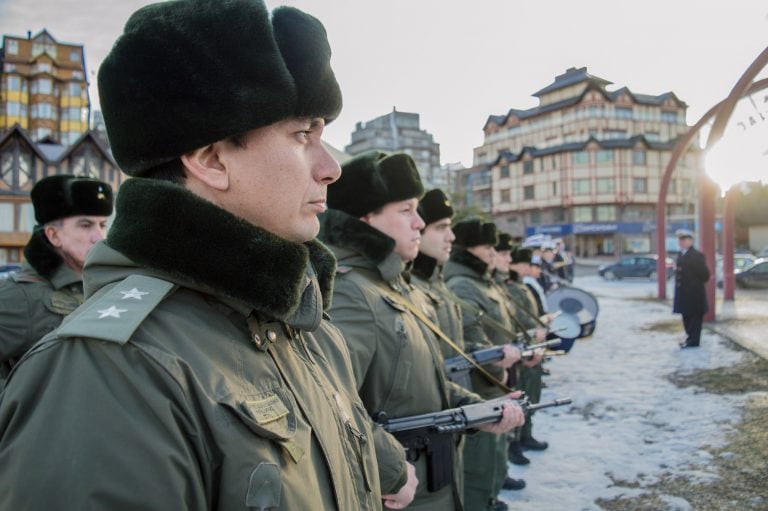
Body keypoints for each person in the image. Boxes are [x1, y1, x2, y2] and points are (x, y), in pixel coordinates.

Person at [0, 2, 401, 509]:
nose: (329, 168)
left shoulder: (303, 327)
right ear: (211, 160)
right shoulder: (113, 370)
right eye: (303, 135)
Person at [319, 152, 524, 511]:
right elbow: (325, 405)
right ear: (366, 219)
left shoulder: (394, 286)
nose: (418, 223)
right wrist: (389, 469)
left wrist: (478, 411)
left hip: (432, 487)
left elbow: (427, 382)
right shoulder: (351, 294)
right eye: (405, 210)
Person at [0, 174, 112, 384]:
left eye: (103, 225)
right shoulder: (19, 296)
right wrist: (23, 402)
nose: (99, 237)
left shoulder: (102, 287)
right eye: (85, 225)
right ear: (54, 235)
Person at [444, 219, 524, 510]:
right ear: (469, 249)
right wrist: (498, 368)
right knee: (478, 464)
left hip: (495, 380)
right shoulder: (463, 285)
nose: (494, 253)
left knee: (493, 456)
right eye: (487, 247)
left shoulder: (479, 281)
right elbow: (469, 341)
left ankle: (490, 497)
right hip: (479, 386)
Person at [673, 229, 710, 348]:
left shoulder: (696, 255)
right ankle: (689, 338)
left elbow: (705, 275)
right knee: (686, 317)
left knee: (694, 319)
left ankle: (694, 341)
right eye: (680, 240)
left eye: (684, 239)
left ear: (691, 241)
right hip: (684, 294)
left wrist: (693, 285)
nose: (681, 242)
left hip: (694, 295)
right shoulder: (681, 254)